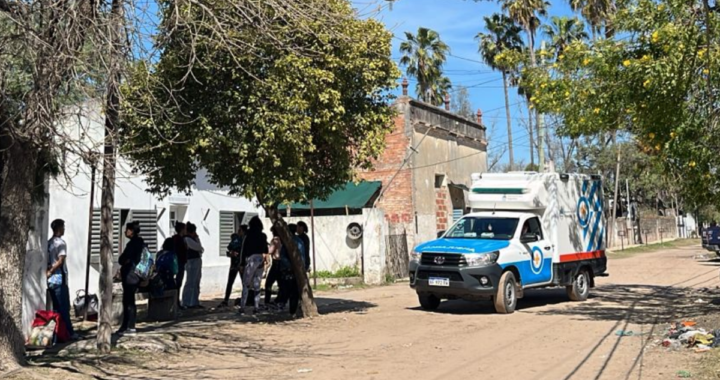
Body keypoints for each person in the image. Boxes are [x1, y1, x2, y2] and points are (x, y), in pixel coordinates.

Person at [46, 219, 78, 340]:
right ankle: (68, 332)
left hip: (50, 281)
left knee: (56, 308)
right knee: (64, 307)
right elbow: (60, 260)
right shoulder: (61, 243)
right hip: (59, 279)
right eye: (63, 227)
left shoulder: (48, 243)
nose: (64, 229)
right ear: (59, 228)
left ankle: (58, 333)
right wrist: (51, 271)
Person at [117, 222, 145, 336]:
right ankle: (125, 325)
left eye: (127, 230)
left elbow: (122, 259)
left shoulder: (132, 244)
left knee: (129, 301)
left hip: (130, 275)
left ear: (131, 231)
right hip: (135, 275)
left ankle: (130, 326)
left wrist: (124, 261)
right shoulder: (140, 243)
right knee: (128, 300)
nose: (125, 232)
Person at [239, 216, 269, 315]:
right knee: (257, 284)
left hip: (250, 259)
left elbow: (243, 250)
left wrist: (242, 264)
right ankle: (256, 306)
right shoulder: (263, 236)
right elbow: (266, 250)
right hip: (260, 259)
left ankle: (242, 306)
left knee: (246, 284)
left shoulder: (248, 236)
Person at [278, 224, 306, 316]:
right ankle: (292, 311)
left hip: (288, 270)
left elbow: (282, 256)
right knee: (295, 292)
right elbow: (303, 256)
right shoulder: (300, 241)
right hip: (298, 270)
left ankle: (285, 307)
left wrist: (289, 266)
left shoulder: (287, 242)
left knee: (286, 290)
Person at [219, 225, 248, 308]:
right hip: (235, 264)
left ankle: (245, 300)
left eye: (240, 230)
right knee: (230, 282)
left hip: (242, 264)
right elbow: (228, 251)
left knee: (244, 283)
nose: (239, 232)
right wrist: (231, 253)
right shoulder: (235, 239)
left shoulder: (246, 240)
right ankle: (226, 300)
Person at [182, 222, 205, 309]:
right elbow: (198, 247)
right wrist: (197, 238)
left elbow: (200, 248)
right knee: (190, 282)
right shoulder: (187, 239)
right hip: (191, 261)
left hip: (196, 260)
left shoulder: (191, 239)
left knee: (196, 282)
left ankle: (194, 301)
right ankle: (187, 302)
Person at [264, 227, 283, 307]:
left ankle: (267, 301)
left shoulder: (275, 240)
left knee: (268, 283)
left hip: (276, 262)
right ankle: (280, 299)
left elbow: (270, 251)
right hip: (282, 263)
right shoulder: (283, 239)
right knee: (280, 283)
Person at [172, 222, 188, 290]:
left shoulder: (175, 238)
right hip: (179, 262)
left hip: (178, 261)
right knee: (178, 281)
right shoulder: (180, 239)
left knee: (178, 281)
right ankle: (176, 298)